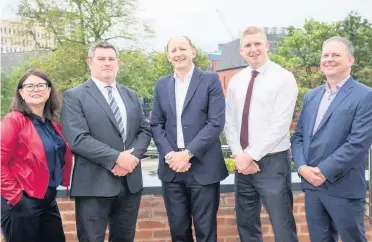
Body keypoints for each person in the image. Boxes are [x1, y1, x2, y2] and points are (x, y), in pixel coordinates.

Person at [61, 41, 151, 242]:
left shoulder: (131, 95)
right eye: (101, 59)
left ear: (118, 63)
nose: (107, 63)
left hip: (129, 184)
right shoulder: (74, 96)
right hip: (93, 184)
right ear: (90, 62)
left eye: (111, 59)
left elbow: (144, 129)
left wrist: (132, 159)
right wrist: (117, 158)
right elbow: (77, 139)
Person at [291, 36, 372, 242]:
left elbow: (358, 143)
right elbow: (298, 136)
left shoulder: (365, 95)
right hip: (312, 188)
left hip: (343, 188)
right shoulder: (311, 96)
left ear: (351, 60)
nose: (329, 59)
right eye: (325, 55)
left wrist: (323, 171)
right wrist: (302, 168)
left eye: (336, 55)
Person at [224, 26, 299, 242]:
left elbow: (280, 125)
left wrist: (250, 155)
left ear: (267, 45)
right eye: (248, 45)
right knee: (246, 225)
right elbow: (230, 122)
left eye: (257, 44)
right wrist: (240, 155)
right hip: (242, 165)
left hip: (273, 164)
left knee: (282, 225)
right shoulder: (237, 80)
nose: (253, 49)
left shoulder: (284, 78)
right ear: (241, 50)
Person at [150, 36, 228, 242]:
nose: (178, 54)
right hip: (171, 170)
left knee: (206, 231)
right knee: (178, 231)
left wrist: (187, 154)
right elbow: (156, 124)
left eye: (182, 48)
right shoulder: (162, 84)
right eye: (173, 50)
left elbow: (215, 123)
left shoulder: (211, 80)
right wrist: (170, 155)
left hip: (204, 167)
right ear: (168, 56)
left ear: (193, 52)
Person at [1, 69, 73, 242]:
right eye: (30, 86)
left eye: (41, 85)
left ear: (49, 91)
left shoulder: (51, 123)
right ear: (21, 92)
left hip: (48, 198)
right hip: (22, 200)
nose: (36, 90)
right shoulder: (14, 120)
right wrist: (17, 197)